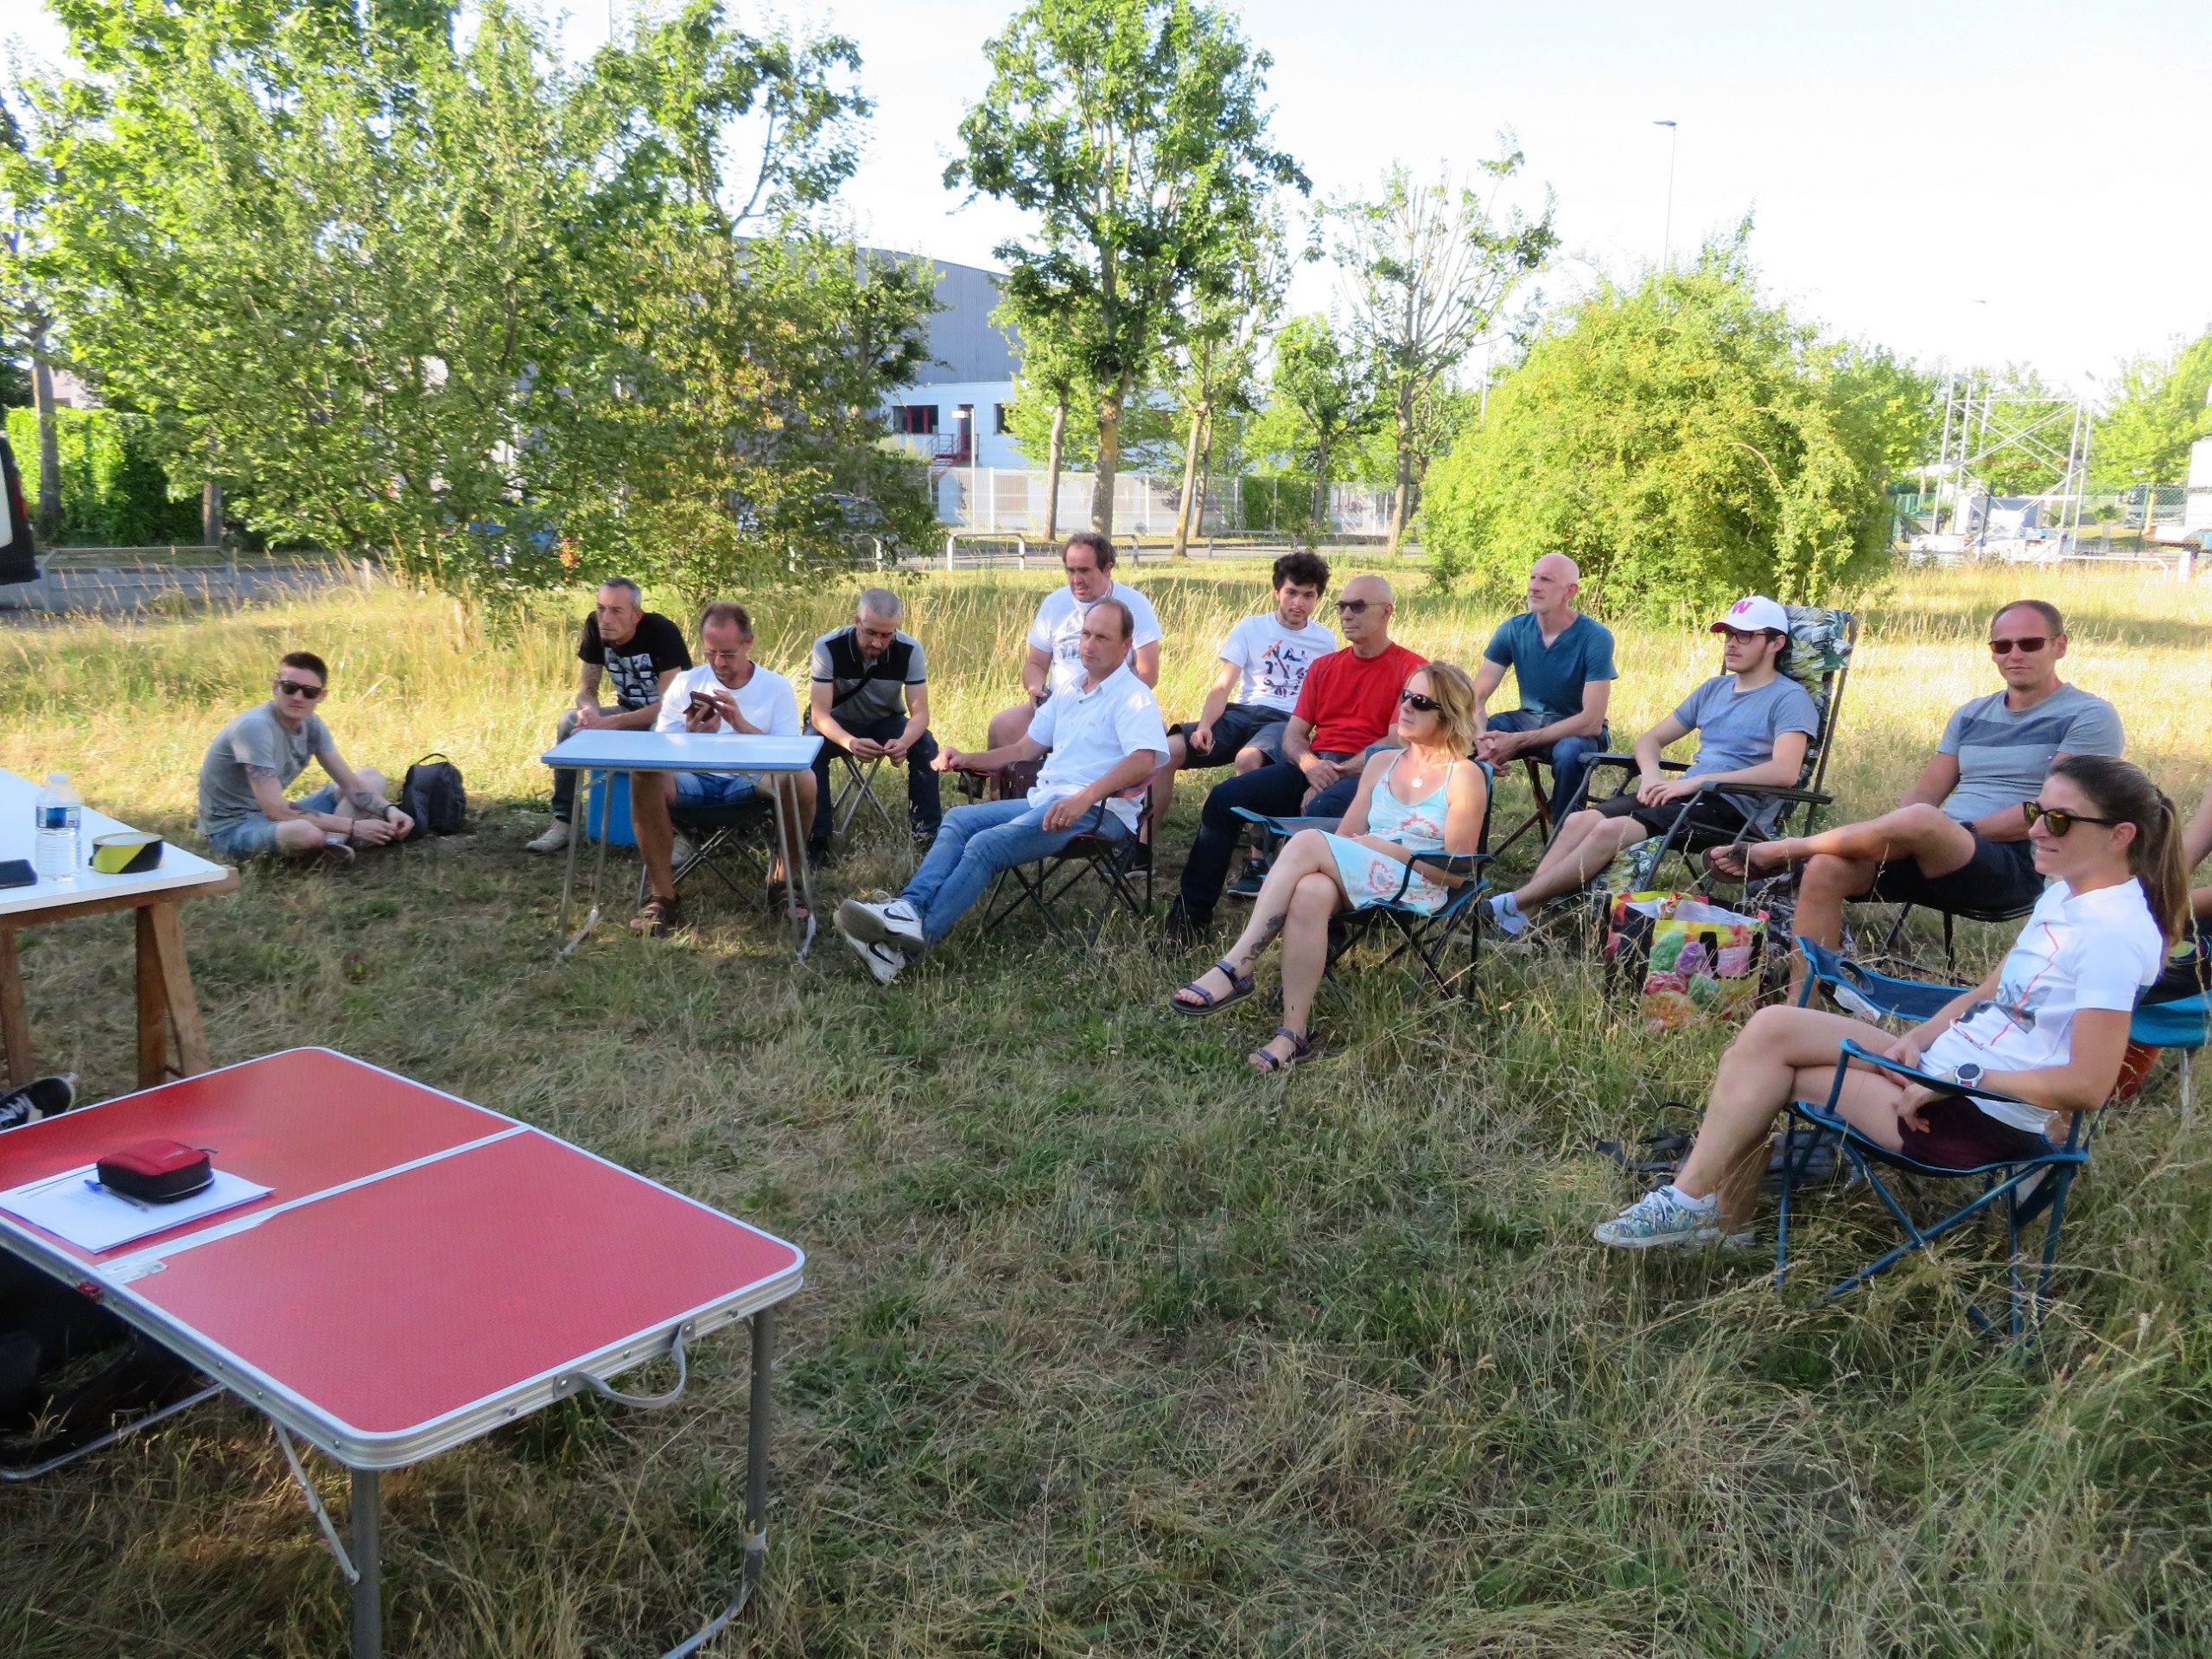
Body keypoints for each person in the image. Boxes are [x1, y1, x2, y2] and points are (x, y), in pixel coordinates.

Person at [1594, 754, 2184, 1249]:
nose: (2034, 831)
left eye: (2058, 820)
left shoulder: (2113, 935)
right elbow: (1989, 992)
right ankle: (1707, 1212)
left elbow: (2088, 1085)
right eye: (2036, 812)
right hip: (1941, 1070)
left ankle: (1706, 1211)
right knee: (1773, 1025)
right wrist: (1920, 1038)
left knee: (1766, 1071)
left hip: (1976, 1115)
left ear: (2120, 835)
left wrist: (1963, 1078)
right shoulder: (2066, 892)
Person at [1706, 599, 2123, 994]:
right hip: (1933, 848)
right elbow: (1926, 791)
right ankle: (1803, 1003)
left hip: (2016, 863)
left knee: (1923, 819)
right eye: (2002, 645)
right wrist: (1901, 835)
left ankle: (1782, 851)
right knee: (1827, 868)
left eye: (2029, 644)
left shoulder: (2089, 715)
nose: (2014, 654)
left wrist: (1948, 831)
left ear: (2059, 645)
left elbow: (2050, 813)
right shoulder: (1971, 714)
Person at [1169, 664, 1488, 1071]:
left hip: (1416, 882)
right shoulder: (1382, 763)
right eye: (1405, 696)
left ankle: (1236, 966)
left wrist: (1384, 848)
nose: (1406, 707)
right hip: (1364, 871)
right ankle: (1292, 1035)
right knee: (1311, 891)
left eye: (1421, 701)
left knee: (1306, 841)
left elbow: (1456, 872)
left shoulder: (1463, 776)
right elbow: (1348, 837)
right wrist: (1364, 847)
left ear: (1449, 713)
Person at [835, 600, 1168, 983]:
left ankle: (904, 948)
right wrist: (965, 758)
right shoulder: (1070, 688)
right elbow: (1023, 749)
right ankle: (906, 911)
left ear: (1126, 646)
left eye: (1102, 638)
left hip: (1099, 812)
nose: (1089, 645)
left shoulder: (1132, 696)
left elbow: (1144, 760)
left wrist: (1084, 798)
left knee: (986, 845)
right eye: (1086, 634)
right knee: (959, 819)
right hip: (1046, 802)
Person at [1486, 596, 1817, 938]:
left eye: (1745, 635)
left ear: (1776, 643)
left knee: (1609, 831)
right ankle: (1525, 920)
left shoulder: (1789, 698)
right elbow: (1650, 740)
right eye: (1728, 634)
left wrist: (1696, 782)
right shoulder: (1714, 689)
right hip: (1687, 796)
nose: (1731, 643)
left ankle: (1510, 904)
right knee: (1577, 821)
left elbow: (1784, 772)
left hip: (1734, 809)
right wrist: (1652, 776)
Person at [1169, 574, 1425, 938]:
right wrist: (1309, 766)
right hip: (1316, 763)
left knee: (1321, 810)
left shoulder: (1411, 669)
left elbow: (1396, 740)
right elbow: (1293, 734)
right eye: (1342, 606)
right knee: (1225, 797)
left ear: (1386, 612)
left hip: (1370, 773)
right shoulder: (1325, 666)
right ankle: (1189, 920)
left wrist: (1336, 773)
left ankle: (1321, 933)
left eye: (1357, 606)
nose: (1346, 614)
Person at [628, 602, 814, 937]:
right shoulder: (686, 683)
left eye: (727, 654)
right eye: (710, 652)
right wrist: (692, 737)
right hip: (692, 781)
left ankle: (783, 883)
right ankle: (662, 897)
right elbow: (660, 750)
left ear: (748, 643)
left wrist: (741, 726)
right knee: (643, 773)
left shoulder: (775, 687)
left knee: (804, 778)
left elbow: (789, 754)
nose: (718, 663)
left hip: (750, 781)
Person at [1146, 550, 1336, 849]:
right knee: (1166, 751)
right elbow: (1223, 685)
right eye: (1291, 593)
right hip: (1242, 712)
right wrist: (1205, 725)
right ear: (1277, 592)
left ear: (1318, 598)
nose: (1298, 603)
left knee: (1248, 759)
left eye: (1308, 595)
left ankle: (1257, 854)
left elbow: (1325, 699)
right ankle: (1143, 848)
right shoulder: (1252, 628)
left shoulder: (1325, 641)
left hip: (1283, 720)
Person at [196, 652, 415, 864]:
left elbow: (351, 785)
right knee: (305, 833)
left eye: (309, 692)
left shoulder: (312, 725)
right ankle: (327, 842)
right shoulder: (255, 727)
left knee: (371, 777)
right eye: (290, 688)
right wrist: (353, 827)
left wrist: (390, 810)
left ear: (321, 696)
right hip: (232, 828)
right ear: (276, 687)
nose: (298, 697)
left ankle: (333, 845)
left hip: (270, 816)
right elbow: (275, 809)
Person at [526, 578, 692, 855]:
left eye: (616, 611)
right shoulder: (595, 626)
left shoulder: (661, 631)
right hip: (627, 711)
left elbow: (670, 708)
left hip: (676, 721)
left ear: (636, 615)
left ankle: (683, 831)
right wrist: (589, 711)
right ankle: (564, 822)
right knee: (569, 721)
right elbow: (587, 689)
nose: (605, 618)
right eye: (601, 608)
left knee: (661, 732)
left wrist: (608, 723)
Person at [982, 531, 1163, 748]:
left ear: (1107, 569)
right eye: (1071, 570)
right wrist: (1035, 689)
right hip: (1058, 703)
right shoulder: (1054, 604)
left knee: (1158, 738)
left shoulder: (1134, 605)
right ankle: (1010, 772)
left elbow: (1148, 673)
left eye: (1084, 570)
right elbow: (1036, 663)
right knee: (1001, 727)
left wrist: (1108, 704)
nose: (1076, 580)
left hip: (1114, 704)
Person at [1471, 552, 1616, 818]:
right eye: (1532, 577)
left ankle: (1566, 838)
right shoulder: (1513, 630)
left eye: (1546, 580)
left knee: (1570, 752)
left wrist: (1517, 740)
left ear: (1569, 591)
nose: (1534, 586)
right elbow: (1475, 699)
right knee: (1467, 743)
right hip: (1528, 719)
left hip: (1576, 731)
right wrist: (1481, 739)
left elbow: (1591, 722)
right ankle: (1467, 840)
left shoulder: (1595, 637)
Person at [804, 588, 939, 859]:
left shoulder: (910, 650)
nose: (877, 643)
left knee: (925, 745)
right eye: (871, 633)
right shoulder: (827, 647)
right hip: (838, 723)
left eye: (887, 635)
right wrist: (850, 742)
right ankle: (817, 839)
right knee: (810, 748)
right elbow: (820, 716)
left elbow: (920, 715)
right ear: (857, 621)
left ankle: (927, 834)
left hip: (885, 722)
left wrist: (904, 742)